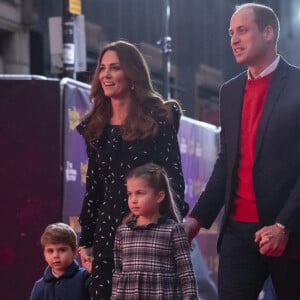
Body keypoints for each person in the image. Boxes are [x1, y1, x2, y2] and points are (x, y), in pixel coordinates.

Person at [183, 3, 300, 300]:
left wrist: (284, 224)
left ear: (269, 32)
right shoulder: (230, 91)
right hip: (236, 232)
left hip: (288, 231)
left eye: (243, 31)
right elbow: (227, 161)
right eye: (231, 33)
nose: (234, 39)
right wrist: (196, 219)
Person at [77, 40, 189, 300]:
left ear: (132, 74)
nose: (105, 74)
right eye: (102, 68)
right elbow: (94, 187)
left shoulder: (160, 119)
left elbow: (173, 179)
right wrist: (86, 240)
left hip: (149, 232)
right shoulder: (95, 127)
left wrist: (172, 228)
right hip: (107, 235)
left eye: (114, 68)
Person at [111, 163, 198, 299]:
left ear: (159, 196)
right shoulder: (123, 232)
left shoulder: (173, 231)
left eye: (139, 193)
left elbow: (186, 273)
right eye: (129, 194)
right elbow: (117, 272)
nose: (133, 200)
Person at [29, 223, 90, 300]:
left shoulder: (85, 277)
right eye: (50, 251)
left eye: (62, 250)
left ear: (74, 252)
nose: (55, 255)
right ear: (44, 254)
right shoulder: (39, 285)